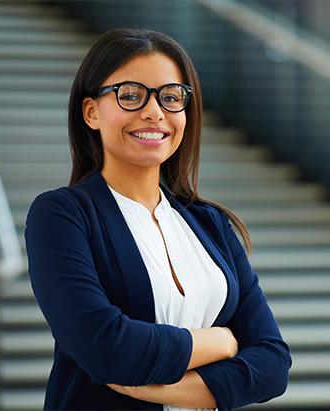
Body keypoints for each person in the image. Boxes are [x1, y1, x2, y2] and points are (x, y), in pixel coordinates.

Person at [24, 28, 292, 411]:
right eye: (130, 95)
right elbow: (107, 349)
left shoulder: (210, 223)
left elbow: (272, 364)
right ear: (91, 112)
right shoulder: (62, 215)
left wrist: (155, 387)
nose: (154, 112)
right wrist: (220, 342)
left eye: (170, 97)